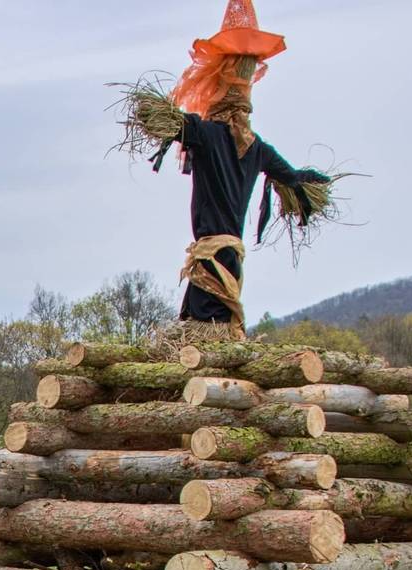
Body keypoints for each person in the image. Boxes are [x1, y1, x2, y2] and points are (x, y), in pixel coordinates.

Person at [118, 0, 332, 337]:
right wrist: (305, 186)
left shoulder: (207, 134)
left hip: (211, 262)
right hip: (230, 258)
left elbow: (165, 121)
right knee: (205, 333)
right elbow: (293, 179)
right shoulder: (257, 147)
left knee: (204, 337)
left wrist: (152, 107)